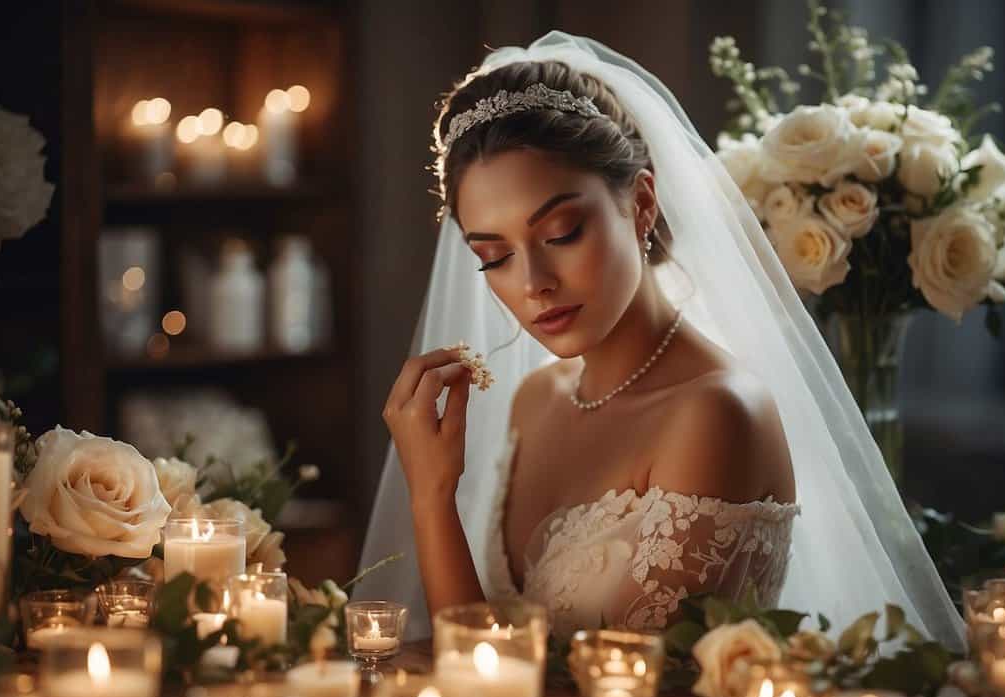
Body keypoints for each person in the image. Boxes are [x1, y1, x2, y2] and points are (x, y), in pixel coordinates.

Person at [355, 32, 964, 649]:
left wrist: (434, 503)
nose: (533, 283)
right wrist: (431, 494)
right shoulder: (534, 398)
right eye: (494, 256)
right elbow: (486, 672)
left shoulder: (716, 413)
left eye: (562, 233)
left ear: (642, 203)